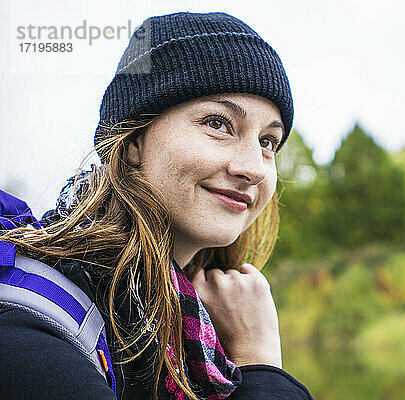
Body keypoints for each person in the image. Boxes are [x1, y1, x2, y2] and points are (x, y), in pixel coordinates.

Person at [0, 11, 314, 400]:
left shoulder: (188, 332)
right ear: (133, 142)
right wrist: (260, 362)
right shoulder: (30, 327)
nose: (252, 168)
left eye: (268, 142)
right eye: (218, 123)